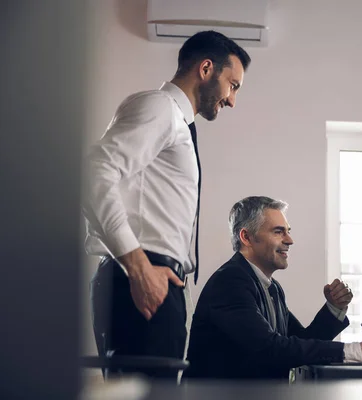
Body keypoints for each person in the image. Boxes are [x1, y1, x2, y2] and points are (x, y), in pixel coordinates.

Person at [81, 31, 251, 379]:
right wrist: (138, 267)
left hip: (157, 279)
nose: (232, 100)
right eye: (232, 85)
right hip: (141, 278)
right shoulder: (160, 107)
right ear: (206, 68)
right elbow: (94, 174)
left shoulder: (177, 121)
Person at [184, 196, 362, 380]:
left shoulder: (272, 287)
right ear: (246, 237)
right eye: (278, 232)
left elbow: (298, 344)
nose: (290, 240)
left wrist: (334, 308)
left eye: (288, 232)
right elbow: (269, 348)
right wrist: (356, 351)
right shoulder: (230, 281)